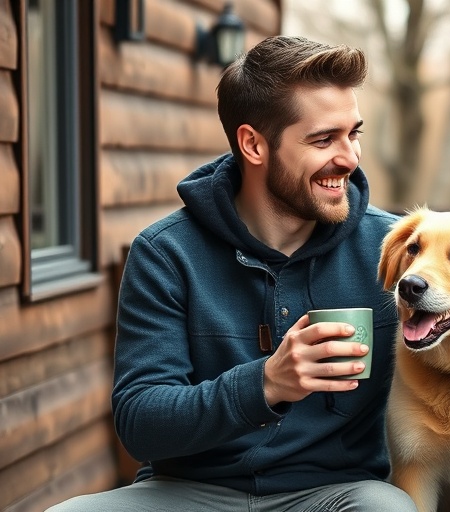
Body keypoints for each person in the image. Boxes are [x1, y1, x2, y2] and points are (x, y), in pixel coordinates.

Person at [48, 36, 415, 512]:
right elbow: (140, 423)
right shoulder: (165, 254)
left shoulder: (392, 249)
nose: (349, 157)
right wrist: (267, 382)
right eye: (324, 139)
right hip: (188, 491)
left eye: (354, 134)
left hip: (336, 493)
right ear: (253, 145)